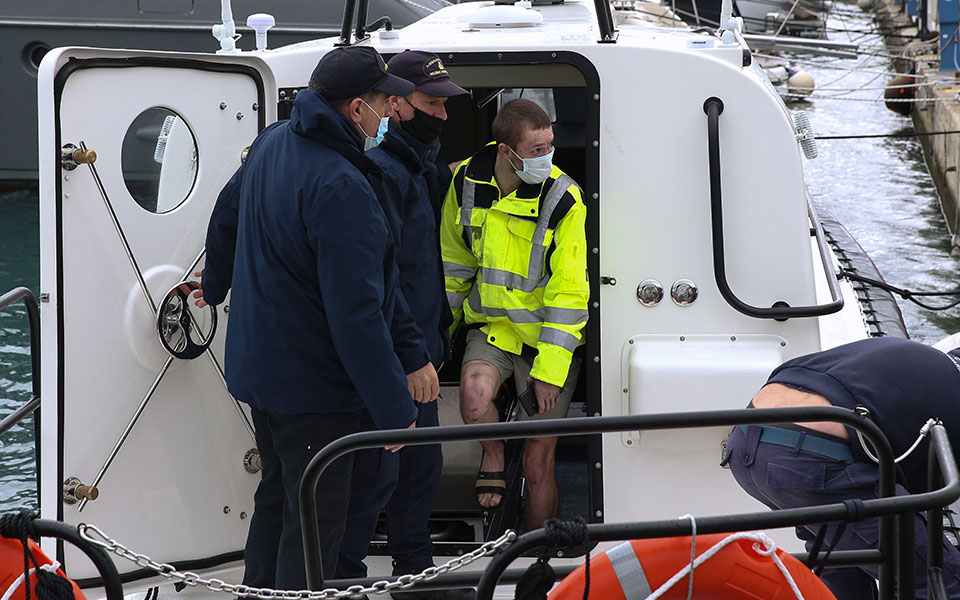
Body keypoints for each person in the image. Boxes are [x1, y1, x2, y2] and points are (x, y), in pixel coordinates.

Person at [196, 46, 424, 590]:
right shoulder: (343, 185)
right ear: (355, 111)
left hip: (261, 372)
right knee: (314, 522)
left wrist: (215, 285)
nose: (388, 114)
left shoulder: (272, 142)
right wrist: (394, 408)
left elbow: (225, 215)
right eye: (381, 103)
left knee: (276, 499)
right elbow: (357, 315)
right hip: (315, 387)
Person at [333, 50, 475, 600]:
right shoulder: (385, 174)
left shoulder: (422, 169)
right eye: (430, 104)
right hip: (398, 352)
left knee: (417, 471)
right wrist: (412, 353)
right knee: (378, 478)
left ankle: (414, 573)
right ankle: (344, 577)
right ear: (395, 105)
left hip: (420, 345)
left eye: (444, 104)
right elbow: (382, 277)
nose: (442, 115)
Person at [440, 98, 589, 529]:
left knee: (539, 464)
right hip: (491, 330)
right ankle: (494, 451)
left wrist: (549, 369)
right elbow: (454, 267)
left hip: (547, 341)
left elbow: (569, 292)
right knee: (473, 398)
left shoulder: (565, 198)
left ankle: (539, 558)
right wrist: (435, 340)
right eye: (537, 149)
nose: (548, 157)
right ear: (506, 150)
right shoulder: (465, 181)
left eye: (550, 146)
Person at [725, 337, 960, 599]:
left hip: (746, 436)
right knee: (937, 578)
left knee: (842, 562)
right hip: (810, 460)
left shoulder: (927, 363)